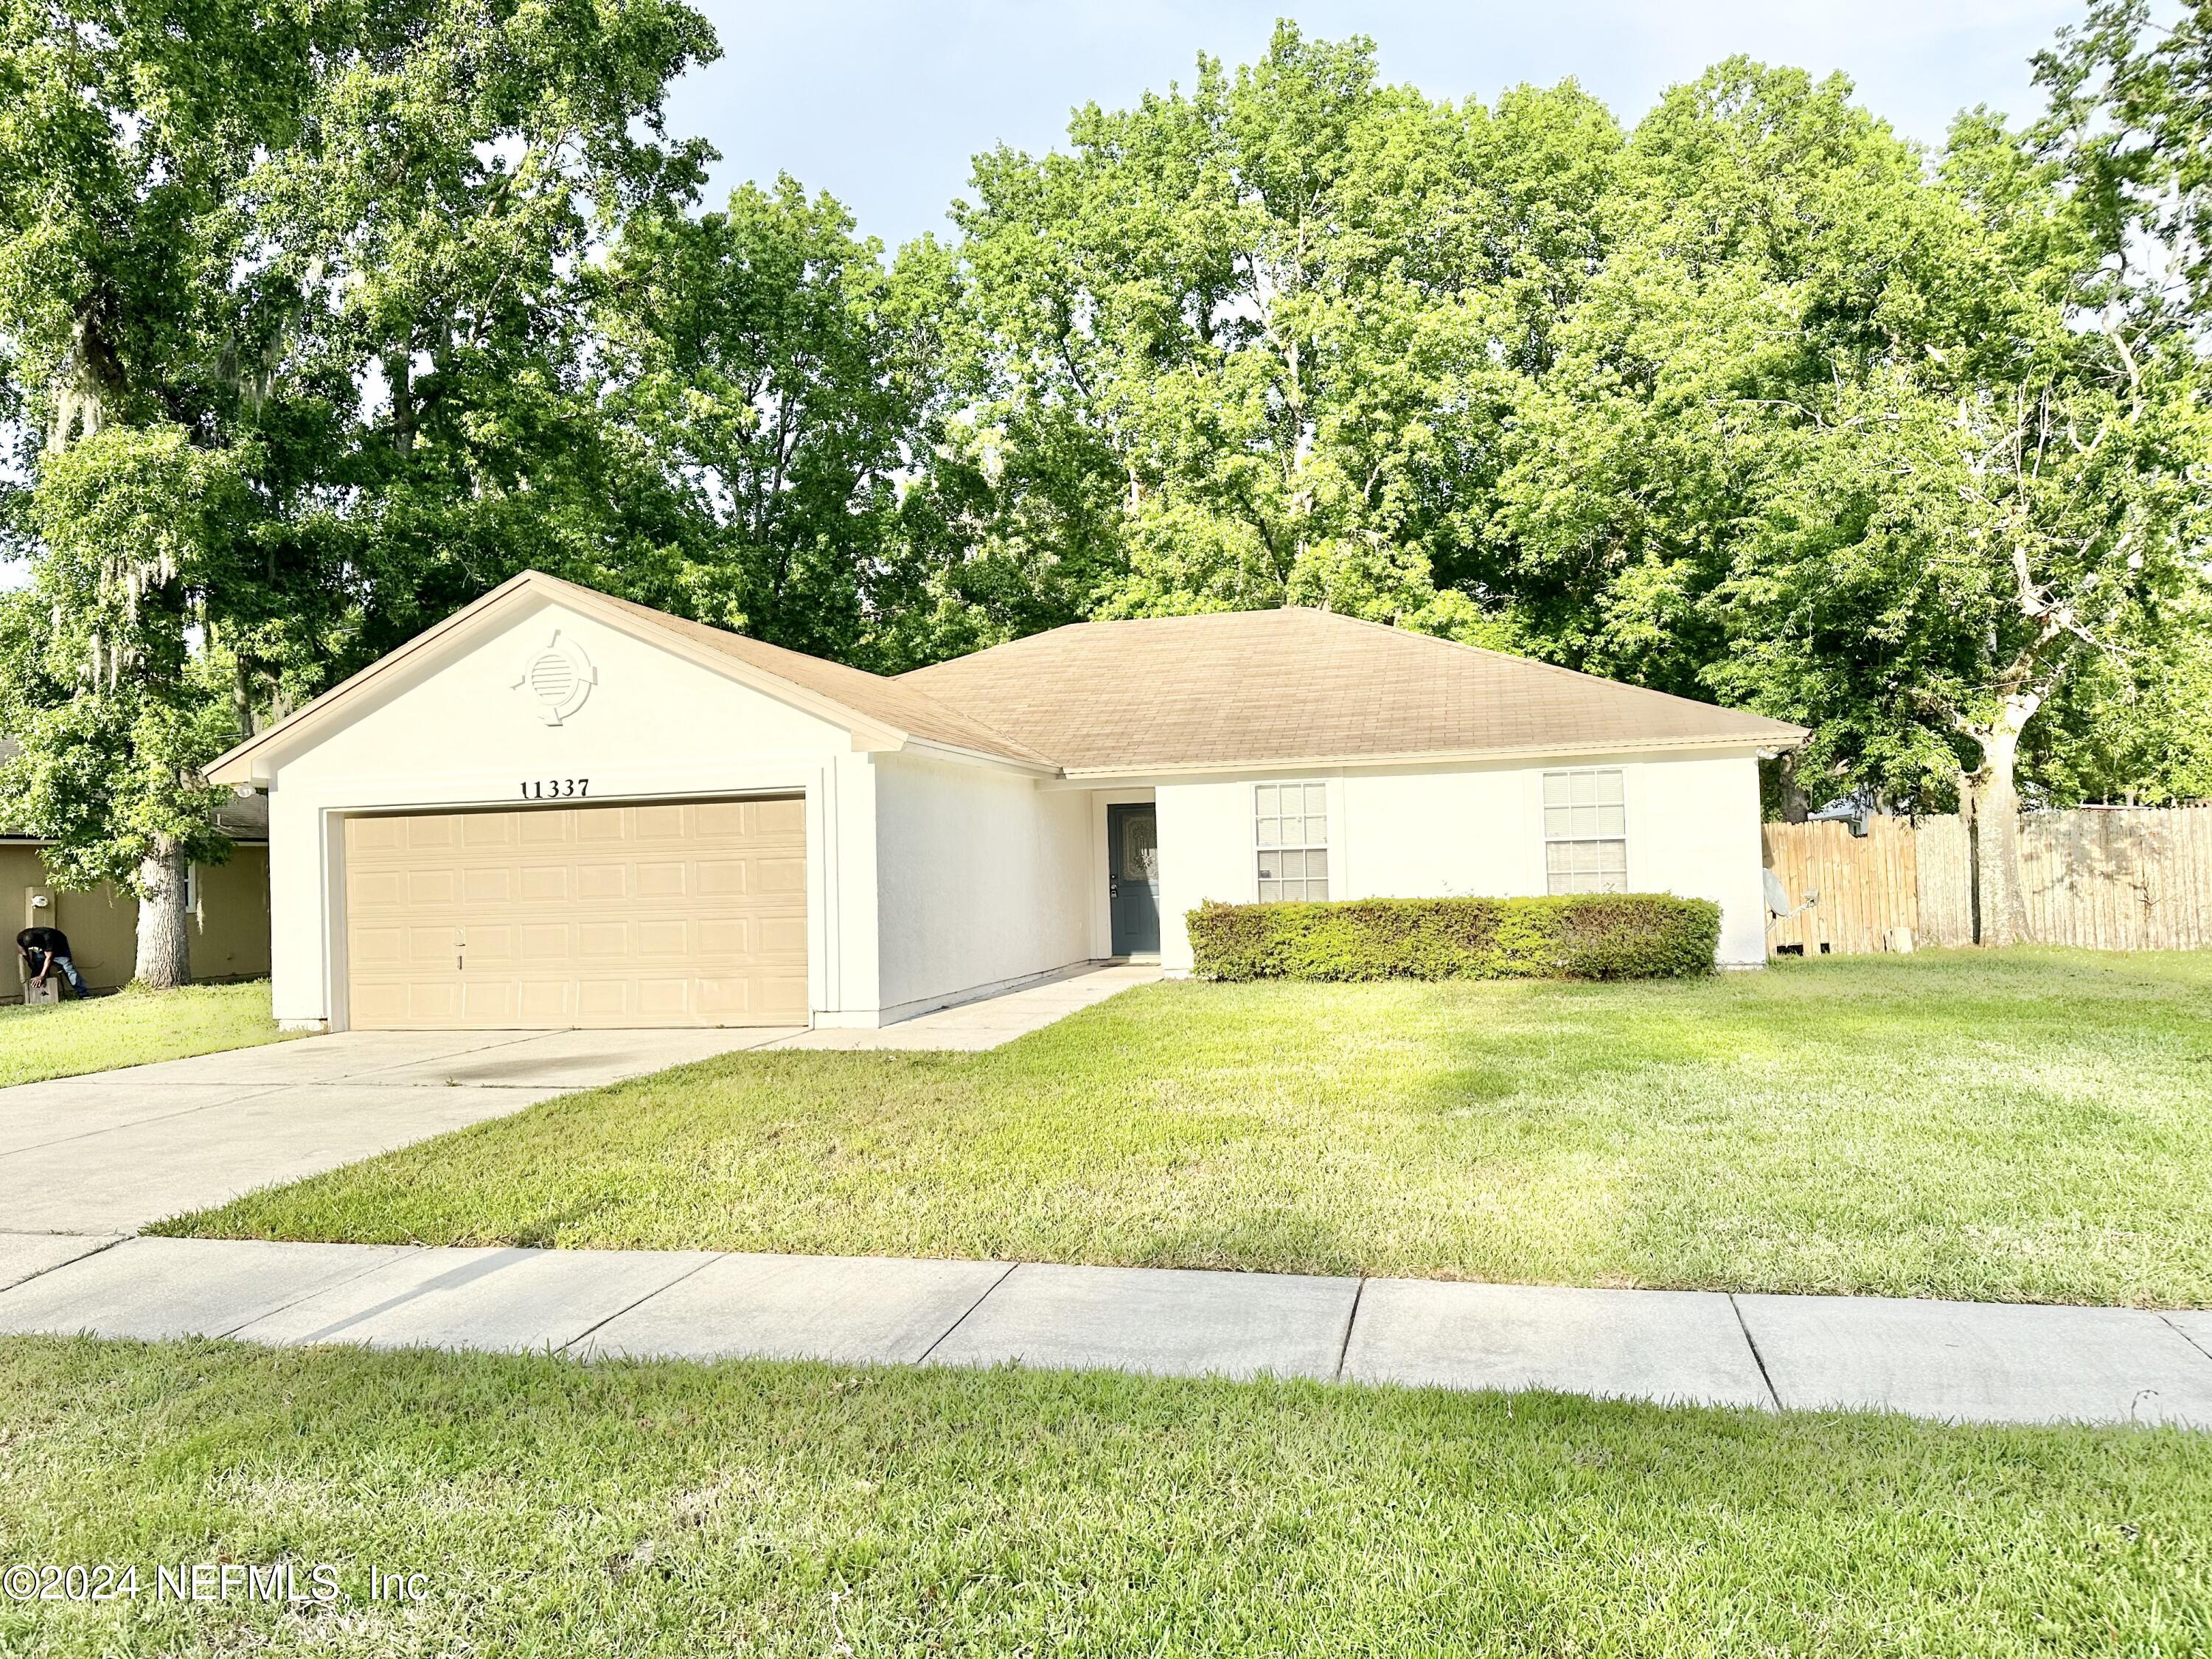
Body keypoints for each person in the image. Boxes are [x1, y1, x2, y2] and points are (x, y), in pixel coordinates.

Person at [17, 924, 89, 999]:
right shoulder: (21, 937)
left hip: (60, 947)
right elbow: (23, 951)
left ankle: (83, 994)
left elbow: (49, 958)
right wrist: (30, 963)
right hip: (44, 948)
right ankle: (35, 997)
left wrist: (42, 976)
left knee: (68, 968)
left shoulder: (47, 937)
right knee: (37, 967)